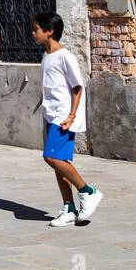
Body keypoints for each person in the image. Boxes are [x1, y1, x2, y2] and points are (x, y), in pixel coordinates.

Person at [33, 12, 103, 227]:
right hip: (50, 114)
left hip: (63, 116)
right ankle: (69, 208)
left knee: (51, 157)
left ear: (49, 31)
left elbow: (77, 87)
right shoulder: (47, 55)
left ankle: (88, 191)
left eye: (36, 29)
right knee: (59, 163)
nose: (33, 33)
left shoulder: (65, 56)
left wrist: (71, 117)